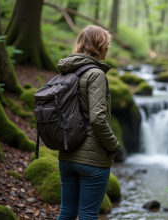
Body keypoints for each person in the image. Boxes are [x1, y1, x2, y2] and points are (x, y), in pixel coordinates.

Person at [56, 25, 120, 220]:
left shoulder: (66, 71)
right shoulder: (96, 74)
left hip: (66, 154)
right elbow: (98, 118)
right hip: (92, 160)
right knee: (88, 214)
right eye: (106, 44)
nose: (108, 48)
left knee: (66, 212)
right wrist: (113, 145)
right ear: (100, 45)